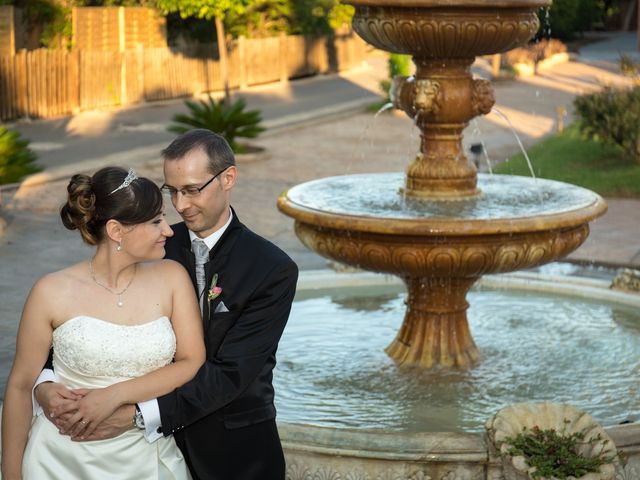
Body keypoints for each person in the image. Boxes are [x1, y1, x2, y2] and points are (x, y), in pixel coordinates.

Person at [35, 130, 299, 480]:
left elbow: (231, 373)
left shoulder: (271, 268)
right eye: (172, 191)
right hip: (140, 455)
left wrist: (135, 415)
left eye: (192, 189)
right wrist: (46, 383)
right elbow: (85, 323)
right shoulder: (150, 246)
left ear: (228, 178)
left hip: (233, 455)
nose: (181, 205)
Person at [0, 166, 205, 480]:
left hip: (146, 460)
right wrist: (11, 475)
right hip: (56, 463)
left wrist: (115, 395)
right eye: (155, 221)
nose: (168, 230)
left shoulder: (172, 278)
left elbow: (192, 361)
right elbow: (19, 385)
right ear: (116, 230)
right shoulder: (50, 291)